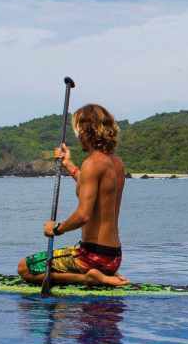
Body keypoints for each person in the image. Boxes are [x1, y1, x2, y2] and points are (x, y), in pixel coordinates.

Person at [18, 103, 129, 287]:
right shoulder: (116, 162)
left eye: (77, 130)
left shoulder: (92, 163)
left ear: (86, 131)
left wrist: (56, 229)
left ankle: (88, 277)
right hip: (113, 257)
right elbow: (91, 186)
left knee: (25, 268)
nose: (77, 136)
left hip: (91, 257)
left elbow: (83, 215)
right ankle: (103, 274)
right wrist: (68, 164)